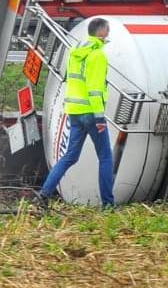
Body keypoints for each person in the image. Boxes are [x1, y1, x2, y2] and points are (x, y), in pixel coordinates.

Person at [36, 18, 115, 209]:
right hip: (91, 112)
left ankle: (44, 194)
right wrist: (99, 118)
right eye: (108, 30)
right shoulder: (98, 56)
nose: (109, 33)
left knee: (70, 156)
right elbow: (95, 89)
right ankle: (108, 204)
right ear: (102, 32)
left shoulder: (76, 53)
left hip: (74, 112)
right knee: (105, 157)